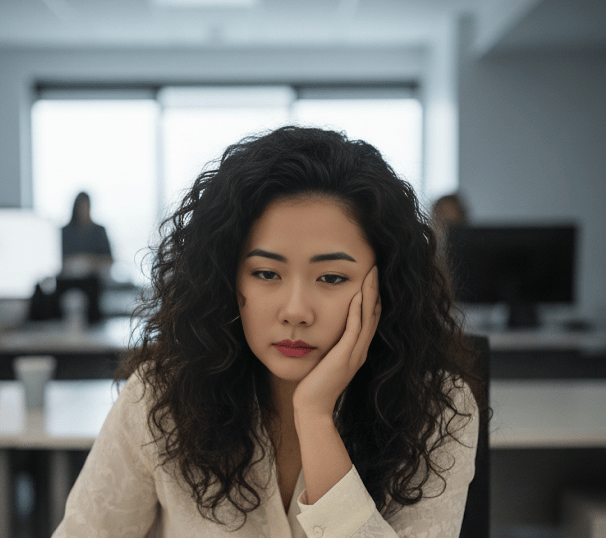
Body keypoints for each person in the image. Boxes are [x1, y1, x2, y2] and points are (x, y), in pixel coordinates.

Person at [53, 126, 483, 537]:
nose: (295, 311)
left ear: (383, 285)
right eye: (265, 273)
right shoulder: (159, 397)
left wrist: (314, 418)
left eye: (331, 278)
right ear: (229, 281)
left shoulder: (437, 410)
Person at [60, 191, 113, 279]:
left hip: (95, 280)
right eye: (80, 206)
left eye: (85, 206)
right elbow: (60, 262)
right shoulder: (65, 231)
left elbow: (109, 259)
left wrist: (89, 261)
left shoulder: (99, 231)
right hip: (69, 280)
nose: (83, 210)